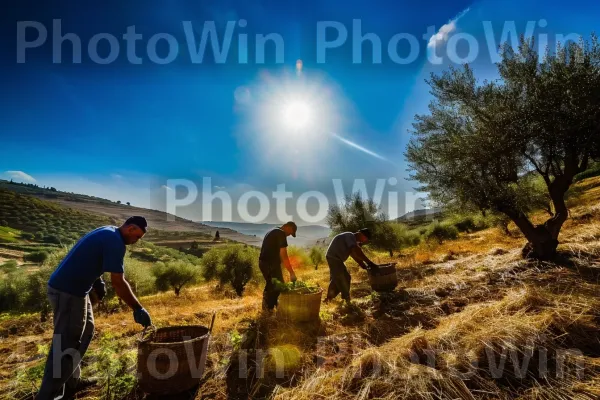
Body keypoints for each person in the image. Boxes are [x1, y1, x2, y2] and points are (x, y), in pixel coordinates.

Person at [37, 216, 153, 400]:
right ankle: (47, 396)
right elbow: (119, 283)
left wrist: (97, 281)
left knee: (86, 332)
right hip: (67, 293)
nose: (136, 242)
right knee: (65, 345)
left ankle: (72, 383)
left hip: (78, 291)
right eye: (136, 237)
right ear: (130, 228)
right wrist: (137, 308)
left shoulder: (108, 231)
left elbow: (88, 257)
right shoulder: (116, 242)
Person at [325, 228, 378, 303]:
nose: (364, 241)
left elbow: (353, 254)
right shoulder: (350, 236)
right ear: (361, 234)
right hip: (334, 257)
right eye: (365, 239)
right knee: (345, 277)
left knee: (335, 279)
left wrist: (362, 264)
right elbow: (357, 251)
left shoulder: (352, 240)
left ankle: (329, 299)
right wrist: (369, 263)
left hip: (336, 258)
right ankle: (346, 299)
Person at [259, 221, 298, 310]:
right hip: (269, 264)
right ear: (287, 227)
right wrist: (291, 272)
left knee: (273, 285)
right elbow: (284, 255)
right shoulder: (281, 233)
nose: (289, 235)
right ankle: (268, 310)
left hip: (265, 263)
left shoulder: (274, 230)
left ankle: (270, 308)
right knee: (276, 286)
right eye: (290, 233)